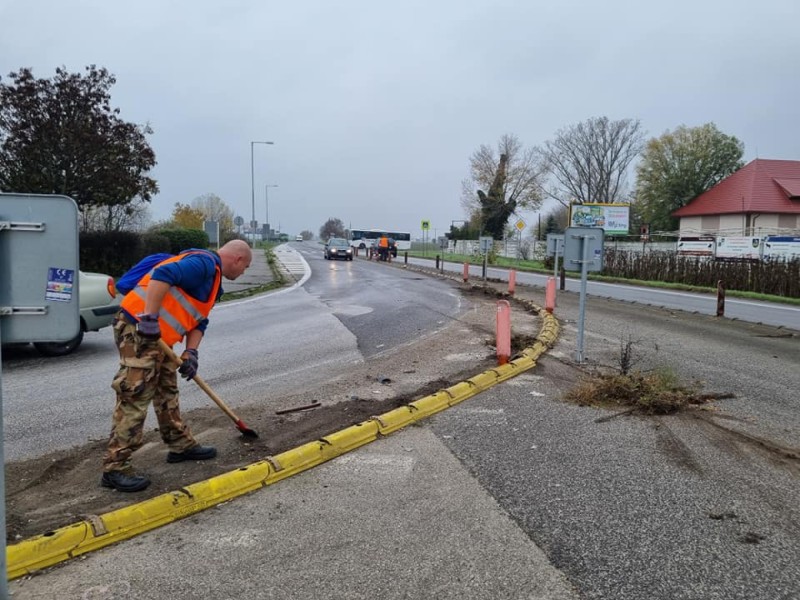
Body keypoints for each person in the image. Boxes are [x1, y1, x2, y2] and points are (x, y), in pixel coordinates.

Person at [100, 240, 253, 492]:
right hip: (138, 331)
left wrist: (191, 352)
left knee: (166, 390)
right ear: (237, 259)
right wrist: (149, 317)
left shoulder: (214, 283)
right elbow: (163, 274)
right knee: (135, 395)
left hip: (161, 341)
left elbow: (199, 321)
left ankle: (180, 445)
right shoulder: (203, 263)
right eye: (245, 267)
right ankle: (115, 468)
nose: (243, 272)